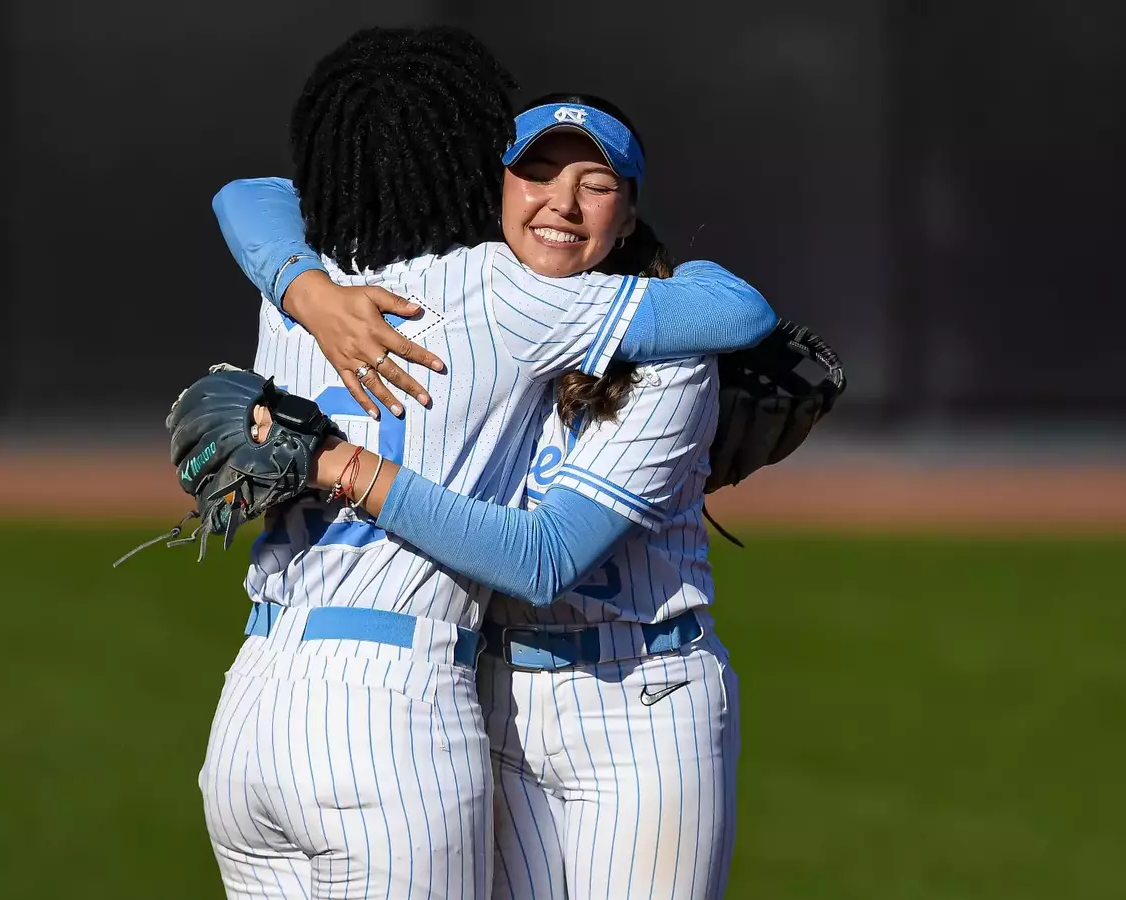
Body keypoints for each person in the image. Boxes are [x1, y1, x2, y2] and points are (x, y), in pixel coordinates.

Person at [197, 31, 772, 900]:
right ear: (484, 172)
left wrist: (304, 294)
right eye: (535, 172)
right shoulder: (508, 291)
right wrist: (339, 460)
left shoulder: (303, 286)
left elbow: (246, 194)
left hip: (264, 706)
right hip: (404, 709)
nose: (562, 202)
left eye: (596, 182)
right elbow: (736, 308)